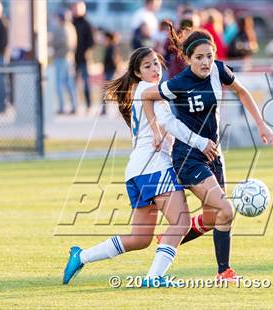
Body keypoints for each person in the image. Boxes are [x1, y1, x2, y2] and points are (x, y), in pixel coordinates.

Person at [62, 47, 218, 287]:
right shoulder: (149, 90)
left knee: (140, 238)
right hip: (154, 166)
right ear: (137, 72)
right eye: (147, 66)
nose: (155, 69)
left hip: (136, 170)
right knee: (181, 223)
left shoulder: (140, 91)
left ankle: (81, 256)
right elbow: (168, 122)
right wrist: (198, 142)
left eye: (156, 63)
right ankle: (154, 278)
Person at [141, 23, 273, 281]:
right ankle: (224, 271)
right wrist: (157, 132)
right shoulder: (179, 82)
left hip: (212, 154)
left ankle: (169, 240)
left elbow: (242, 91)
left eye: (209, 56)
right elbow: (148, 97)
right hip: (188, 158)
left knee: (212, 217)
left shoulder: (218, 70)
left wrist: (262, 125)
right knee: (226, 210)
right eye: (199, 58)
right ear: (188, 59)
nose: (206, 62)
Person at [52, 8, 77, 115]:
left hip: (61, 58)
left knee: (59, 83)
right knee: (69, 83)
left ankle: (62, 107)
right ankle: (74, 105)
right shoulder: (71, 28)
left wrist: (53, 43)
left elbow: (57, 43)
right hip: (69, 58)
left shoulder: (62, 29)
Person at [72, 1, 94, 112]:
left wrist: (87, 54)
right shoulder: (71, 23)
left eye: (77, 8)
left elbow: (91, 42)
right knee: (72, 83)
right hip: (73, 58)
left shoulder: (87, 24)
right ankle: (74, 105)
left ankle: (88, 105)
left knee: (86, 82)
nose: (75, 11)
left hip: (83, 59)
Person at [100, 31, 119, 115]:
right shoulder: (110, 47)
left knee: (108, 90)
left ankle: (105, 109)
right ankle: (104, 109)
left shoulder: (112, 47)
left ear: (108, 39)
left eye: (104, 39)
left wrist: (115, 69)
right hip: (109, 71)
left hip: (110, 71)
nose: (103, 41)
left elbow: (113, 59)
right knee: (109, 91)